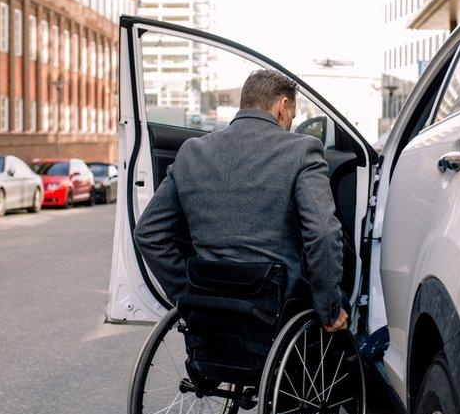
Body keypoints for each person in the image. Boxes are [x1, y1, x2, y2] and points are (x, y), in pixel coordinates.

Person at [133, 69, 348, 333]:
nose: (291, 124)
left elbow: (147, 233)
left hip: (208, 299)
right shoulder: (302, 150)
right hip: (274, 306)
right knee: (339, 303)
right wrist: (329, 310)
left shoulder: (192, 151)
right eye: (292, 116)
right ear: (282, 106)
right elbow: (324, 235)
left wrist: (186, 294)